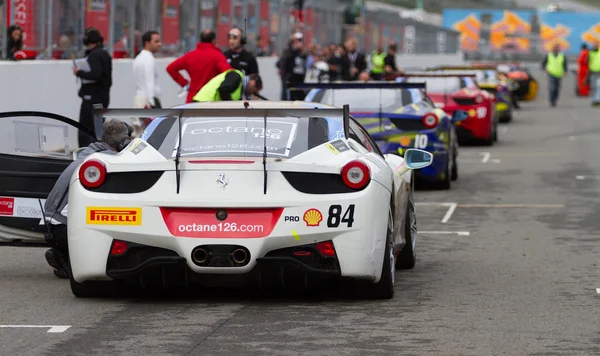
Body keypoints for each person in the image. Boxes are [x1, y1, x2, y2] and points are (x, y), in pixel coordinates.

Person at [42, 120, 133, 279]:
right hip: (64, 228)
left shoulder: (89, 153)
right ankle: (68, 260)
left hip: (50, 226)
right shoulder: (106, 161)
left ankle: (63, 254)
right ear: (123, 142)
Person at [166, 29, 232, 103]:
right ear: (214, 40)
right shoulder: (218, 56)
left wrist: (185, 83)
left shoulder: (190, 55)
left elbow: (170, 68)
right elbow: (229, 73)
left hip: (193, 98)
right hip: (211, 99)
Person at [73, 28, 113, 147]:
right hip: (103, 97)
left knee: (86, 128)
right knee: (99, 128)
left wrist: (79, 72)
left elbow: (95, 74)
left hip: (92, 98)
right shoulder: (104, 53)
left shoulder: (94, 55)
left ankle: (86, 153)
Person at [193, 70, 263, 102]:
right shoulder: (236, 76)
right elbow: (223, 89)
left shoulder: (239, 90)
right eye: (254, 90)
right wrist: (230, 106)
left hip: (206, 104)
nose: (251, 93)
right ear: (253, 82)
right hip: (203, 103)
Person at [281, 32, 307, 100]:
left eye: (300, 40)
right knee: (291, 96)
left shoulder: (302, 53)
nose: (299, 43)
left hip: (300, 78)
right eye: (297, 40)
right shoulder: (289, 51)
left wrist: (301, 52)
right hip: (291, 78)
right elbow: (286, 61)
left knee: (300, 95)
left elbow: (305, 62)